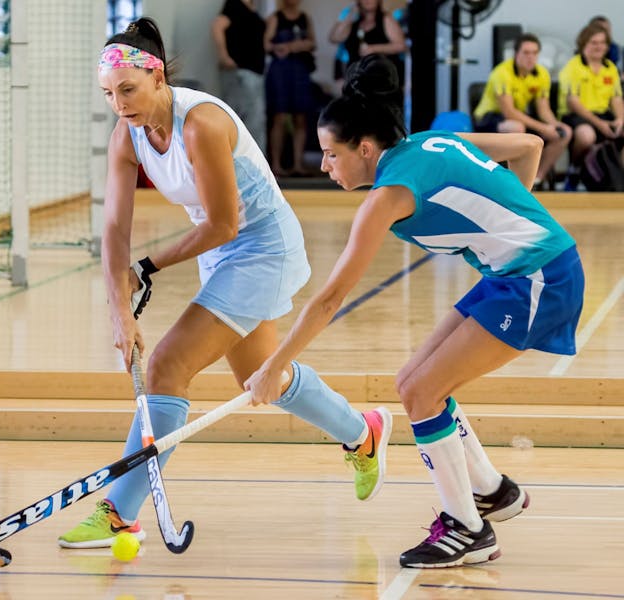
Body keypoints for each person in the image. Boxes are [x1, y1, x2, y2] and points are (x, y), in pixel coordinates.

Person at [58, 18, 393, 550]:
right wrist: (119, 312)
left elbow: (224, 225)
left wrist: (146, 267)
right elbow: (115, 229)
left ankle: (119, 512)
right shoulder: (128, 133)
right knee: (261, 374)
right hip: (222, 253)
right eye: (108, 93)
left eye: (128, 89)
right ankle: (361, 431)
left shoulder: (201, 124)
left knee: (169, 364)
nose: (119, 103)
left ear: (158, 79)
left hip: (261, 246)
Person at [245, 55, 584, 568]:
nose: (323, 167)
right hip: (515, 274)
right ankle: (493, 491)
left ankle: (467, 528)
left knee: (423, 393)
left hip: (542, 279)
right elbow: (528, 147)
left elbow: (331, 299)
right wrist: (503, 219)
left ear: (364, 148)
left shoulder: (388, 197)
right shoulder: (427, 141)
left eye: (330, 155)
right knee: (412, 383)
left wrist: (273, 368)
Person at [473, 33, 572, 190]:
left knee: (564, 132)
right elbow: (509, 112)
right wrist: (543, 128)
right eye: (526, 52)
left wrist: (554, 125)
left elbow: (543, 109)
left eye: (534, 53)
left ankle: (536, 179)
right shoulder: (502, 73)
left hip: (520, 118)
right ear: (516, 54)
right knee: (516, 128)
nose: (530, 57)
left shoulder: (542, 74)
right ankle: (508, 182)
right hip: (490, 118)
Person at [558, 22, 624, 190]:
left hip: (603, 114)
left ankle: (617, 177)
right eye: (594, 42)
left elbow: (616, 99)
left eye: (602, 43)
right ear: (584, 44)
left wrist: (620, 119)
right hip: (577, 115)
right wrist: (600, 124)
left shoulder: (610, 68)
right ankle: (575, 171)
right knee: (586, 136)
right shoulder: (573, 67)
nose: (599, 47)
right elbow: (573, 102)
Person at [264, 0, 317, 177]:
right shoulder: (275, 18)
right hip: (280, 70)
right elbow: (266, 44)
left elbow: (312, 42)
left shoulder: (305, 18)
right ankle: (277, 165)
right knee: (279, 116)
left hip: (300, 70)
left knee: (300, 117)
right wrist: (280, 47)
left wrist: (297, 46)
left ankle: (297, 164)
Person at [211, 0, 267, 154]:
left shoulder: (251, 8)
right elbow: (217, 26)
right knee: (246, 121)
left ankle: (252, 165)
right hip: (241, 73)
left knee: (253, 121)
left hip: (253, 73)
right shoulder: (234, 5)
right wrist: (224, 56)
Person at [328, 0, 406, 85]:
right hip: (356, 78)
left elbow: (401, 45)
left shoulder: (386, 19)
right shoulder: (353, 21)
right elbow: (334, 38)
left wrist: (374, 48)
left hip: (382, 78)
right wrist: (349, 15)